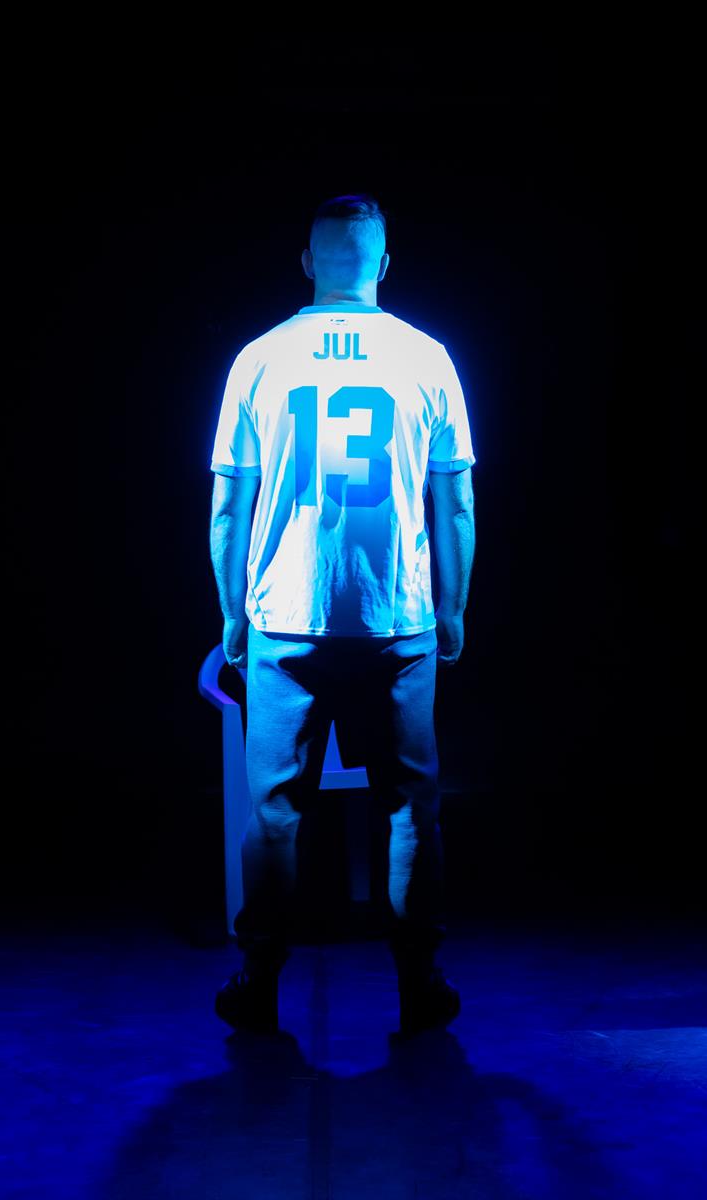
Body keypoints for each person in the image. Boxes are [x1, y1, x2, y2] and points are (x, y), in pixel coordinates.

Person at [208, 194, 476, 1035]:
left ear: (307, 263)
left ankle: (257, 981)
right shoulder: (427, 357)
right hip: (397, 621)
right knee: (408, 810)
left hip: (286, 618)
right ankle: (419, 982)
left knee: (274, 814)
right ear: (383, 266)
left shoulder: (258, 359)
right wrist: (453, 606)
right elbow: (455, 500)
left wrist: (231, 614)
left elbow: (227, 507)